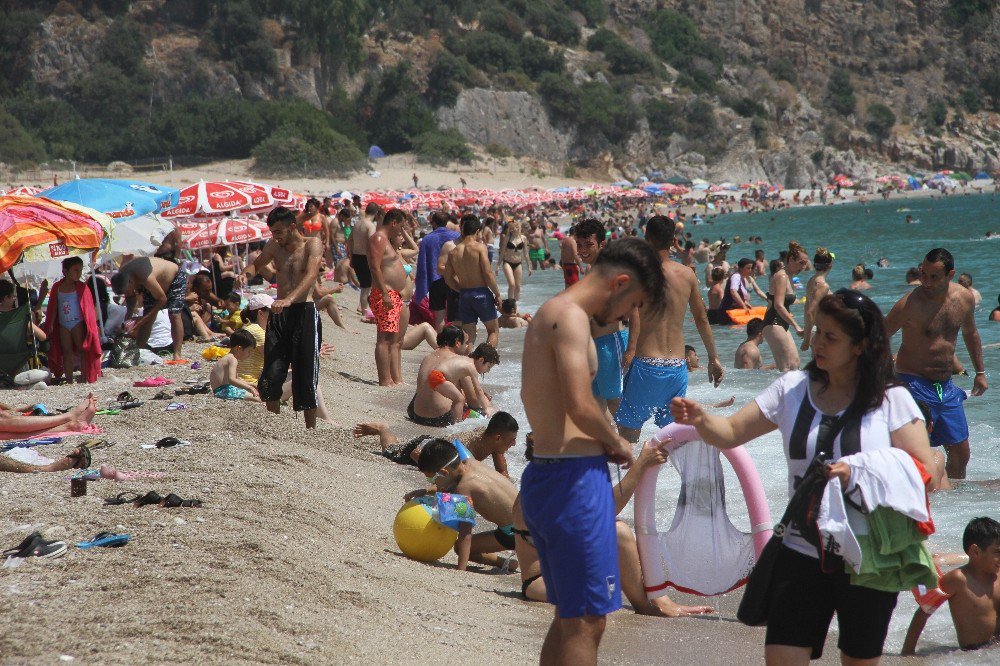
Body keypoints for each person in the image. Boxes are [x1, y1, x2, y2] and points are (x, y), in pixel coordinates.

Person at [670, 289, 939, 665]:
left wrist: (859, 469)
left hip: (867, 556)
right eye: (817, 333)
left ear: (860, 346)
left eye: (831, 337)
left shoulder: (891, 399)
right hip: (801, 547)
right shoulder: (792, 389)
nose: (818, 343)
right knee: (781, 657)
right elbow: (730, 432)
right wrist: (701, 419)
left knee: (859, 660)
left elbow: (926, 468)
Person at [519, 238, 666, 665]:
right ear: (619, 283)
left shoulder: (554, 312)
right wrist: (617, 441)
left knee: (571, 616)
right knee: (588, 620)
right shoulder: (569, 318)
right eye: (630, 305)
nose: (625, 317)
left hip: (552, 475)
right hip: (573, 481)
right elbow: (581, 405)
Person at [513, 436, 714, 617]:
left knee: (617, 535)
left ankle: (655, 600)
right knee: (618, 532)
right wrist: (641, 463)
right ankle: (645, 606)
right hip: (541, 580)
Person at [616, 216, 724, 444]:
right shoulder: (687, 275)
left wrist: (629, 349)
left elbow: (628, 313)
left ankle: (632, 478)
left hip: (646, 365)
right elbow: (701, 319)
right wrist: (713, 358)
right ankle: (668, 479)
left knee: (627, 436)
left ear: (646, 241)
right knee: (671, 439)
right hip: (677, 367)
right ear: (674, 241)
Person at [886, 248, 987, 479]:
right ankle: (918, 503)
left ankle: (952, 506)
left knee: (961, 454)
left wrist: (980, 372)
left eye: (934, 277)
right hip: (913, 384)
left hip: (945, 387)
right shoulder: (910, 303)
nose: (926, 282)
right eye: (924, 274)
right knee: (915, 454)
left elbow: (971, 334)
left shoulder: (964, 298)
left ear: (950, 274)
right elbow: (880, 335)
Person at [239, 206, 323, 429]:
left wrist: (290, 299)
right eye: (272, 233)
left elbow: (311, 275)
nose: (275, 237)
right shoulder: (274, 246)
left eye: (278, 232)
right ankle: (274, 426)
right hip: (280, 313)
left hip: (303, 312)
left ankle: (310, 429)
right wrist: (245, 275)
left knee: (305, 374)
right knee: (272, 372)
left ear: (292, 226)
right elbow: (256, 265)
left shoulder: (311, 244)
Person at [407, 439, 519, 571]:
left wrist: (461, 569)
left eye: (431, 479)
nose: (433, 483)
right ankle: (510, 563)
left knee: (459, 548)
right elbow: (451, 484)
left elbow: (466, 533)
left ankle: (504, 561)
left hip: (515, 534)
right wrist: (426, 491)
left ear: (444, 472)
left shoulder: (464, 489)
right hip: (530, 520)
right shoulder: (471, 463)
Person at [902, 517, 1000, 654]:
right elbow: (923, 613)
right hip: (972, 654)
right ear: (975, 551)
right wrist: (907, 652)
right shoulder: (957, 580)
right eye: (997, 552)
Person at [574, 218, 637, 420]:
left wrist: (632, 349)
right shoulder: (593, 271)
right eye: (580, 244)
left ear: (602, 244)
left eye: (588, 244)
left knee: (614, 401)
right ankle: (604, 446)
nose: (583, 249)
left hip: (611, 345)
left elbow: (634, 311)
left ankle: (629, 447)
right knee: (595, 400)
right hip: (591, 346)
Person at [354, 410, 519, 476]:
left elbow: (503, 474)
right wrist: (434, 473)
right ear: (498, 437)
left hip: (437, 446)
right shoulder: (464, 446)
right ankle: (383, 428)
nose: (514, 444)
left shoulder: (496, 445)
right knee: (391, 451)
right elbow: (415, 454)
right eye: (512, 440)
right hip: (425, 448)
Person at [408, 327, 497, 427]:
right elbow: (474, 401)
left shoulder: (428, 357)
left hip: (416, 414)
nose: (467, 346)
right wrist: (488, 404)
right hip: (439, 417)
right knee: (480, 414)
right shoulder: (460, 361)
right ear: (457, 343)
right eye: (466, 343)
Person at [110, 256, 187, 361]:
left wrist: (143, 319)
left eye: (127, 291)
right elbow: (130, 298)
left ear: (131, 282)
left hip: (175, 277)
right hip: (154, 285)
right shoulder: (123, 275)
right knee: (148, 320)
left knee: (174, 315)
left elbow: (162, 299)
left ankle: (177, 354)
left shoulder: (146, 277)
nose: (127, 294)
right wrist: (127, 321)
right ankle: (139, 352)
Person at [442, 214, 502, 349]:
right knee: (493, 331)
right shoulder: (480, 247)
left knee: (469, 336)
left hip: (464, 295)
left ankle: (469, 365)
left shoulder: (454, 252)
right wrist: (497, 294)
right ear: (477, 231)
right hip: (481, 293)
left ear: (462, 231)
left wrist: (460, 289)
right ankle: (485, 362)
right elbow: (487, 273)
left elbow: (448, 278)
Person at [367, 208, 409, 386]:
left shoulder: (387, 241)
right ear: (394, 223)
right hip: (385, 293)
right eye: (401, 225)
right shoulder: (378, 238)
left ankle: (393, 378)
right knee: (384, 339)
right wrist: (384, 293)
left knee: (393, 338)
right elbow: (375, 267)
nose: (402, 229)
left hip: (392, 294)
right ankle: (385, 380)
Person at [44, 257, 101, 384]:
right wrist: (51, 323)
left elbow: (88, 309)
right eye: (75, 270)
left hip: (77, 322)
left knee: (82, 350)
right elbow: (54, 307)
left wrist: (91, 326)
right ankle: (69, 379)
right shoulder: (57, 287)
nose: (78, 273)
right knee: (66, 351)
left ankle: (84, 376)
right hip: (63, 324)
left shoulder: (82, 287)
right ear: (65, 271)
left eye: (80, 270)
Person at [762, 241, 807, 371]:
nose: (803, 267)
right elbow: (778, 306)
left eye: (805, 263)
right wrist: (796, 326)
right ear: (791, 259)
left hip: (782, 323)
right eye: (801, 263)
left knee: (795, 364)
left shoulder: (789, 276)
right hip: (773, 322)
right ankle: (781, 391)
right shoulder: (781, 276)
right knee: (786, 366)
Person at [415, 211, 461, 332]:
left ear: (433, 222)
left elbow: (423, 264)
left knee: (439, 316)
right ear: (447, 222)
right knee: (457, 316)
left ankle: (441, 343)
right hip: (454, 278)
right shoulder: (457, 236)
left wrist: (422, 283)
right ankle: (458, 344)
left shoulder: (427, 239)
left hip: (436, 280)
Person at [208, 329, 261, 402]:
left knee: (256, 394)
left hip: (221, 389)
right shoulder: (233, 359)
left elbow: (237, 379)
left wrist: (250, 384)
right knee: (258, 398)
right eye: (249, 351)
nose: (250, 354)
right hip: (223, 391)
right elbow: (232, 380)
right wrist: (249, 388)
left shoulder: (229, 357)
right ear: (238, 349)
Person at [800, 247, 833, 352]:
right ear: (830, 265)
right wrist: (806, 339)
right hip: (820, 330)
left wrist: (806, 332)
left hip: (815, 330)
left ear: (814, 265)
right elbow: (810, 311)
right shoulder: (823, 285)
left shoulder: (812, 280)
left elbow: (806, 308)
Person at [350, 203, 379, 314]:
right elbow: (371, 242)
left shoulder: (357, 223)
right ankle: (365, 310)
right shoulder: (370, 225)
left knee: (364, 285)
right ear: (376, 213)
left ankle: (362, 307)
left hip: (356, 256)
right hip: (365, 257)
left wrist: (352, 256)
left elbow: (350, 240)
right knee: (366, 287)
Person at [498, 217, 531, 301]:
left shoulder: (523, 238)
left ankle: (516, 307)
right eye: (510, 228)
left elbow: (526, 254)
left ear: (518, 227)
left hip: (518, 263)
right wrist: (498, 266)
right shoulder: (507, 238)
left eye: (513, 228)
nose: (511, 230)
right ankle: (509, 306)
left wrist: (529, 267)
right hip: (507, 262)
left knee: (518, 287)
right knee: (512, 284)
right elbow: (502, 252)